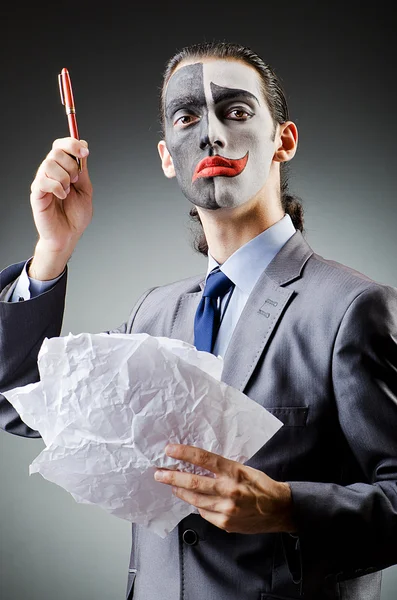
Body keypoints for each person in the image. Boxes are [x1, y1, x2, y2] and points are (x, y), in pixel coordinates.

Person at [0, 41, 397, 600]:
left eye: (235, 112)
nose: (210, 134)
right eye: (187, 117)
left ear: (283, 140)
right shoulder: (153, 315)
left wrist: (287, 507)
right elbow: (21, 400)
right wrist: (51, 252)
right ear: (168, 157)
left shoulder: (354, 309)